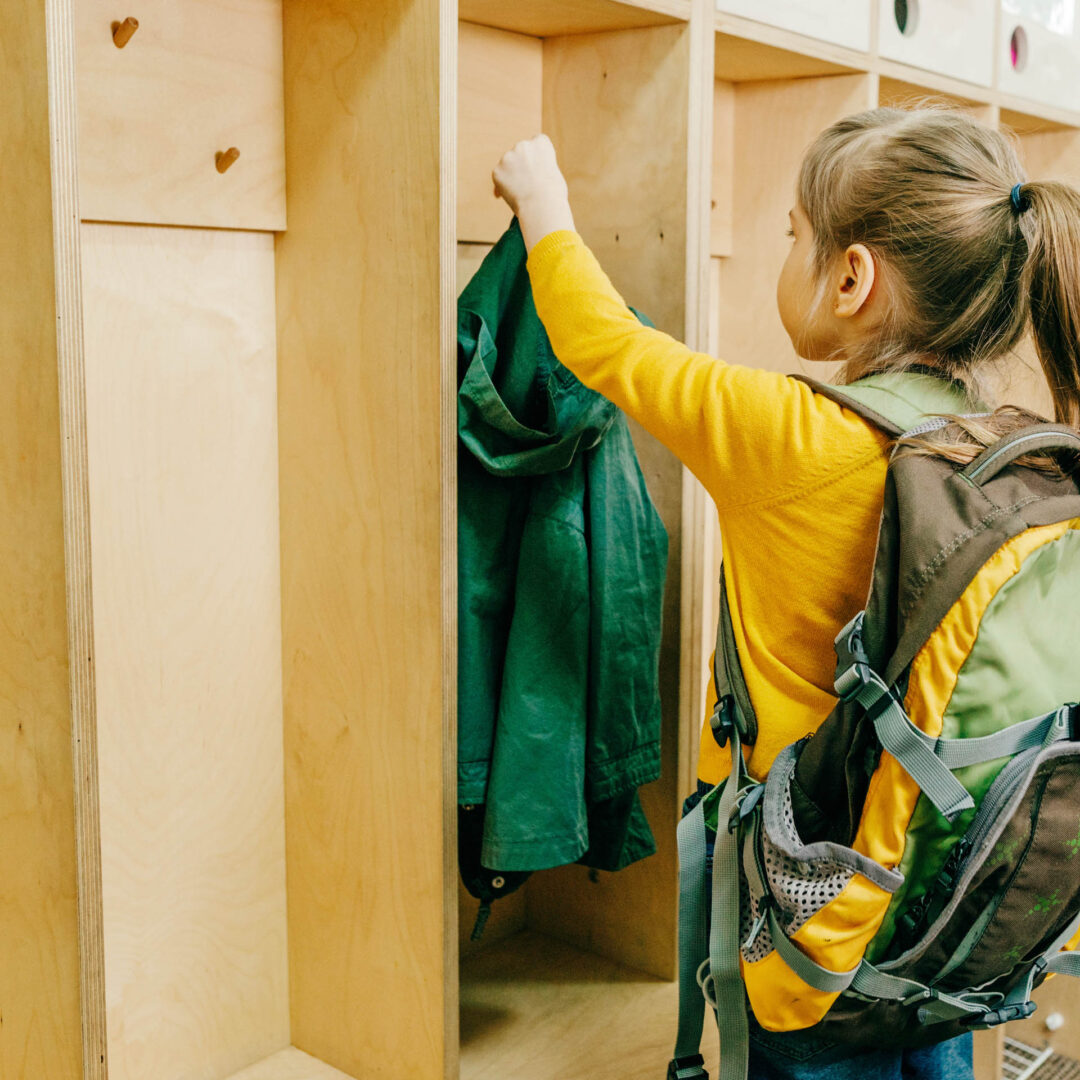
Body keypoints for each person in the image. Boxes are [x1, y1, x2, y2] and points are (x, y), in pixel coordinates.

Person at [490, 108, 1080, 1079]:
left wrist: (543, 202)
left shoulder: (782, 433)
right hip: (944, 904)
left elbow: (607, 345)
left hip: (811, 907)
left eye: (794, 237)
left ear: (852, 278)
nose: (789, 253)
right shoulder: (1002, 447)